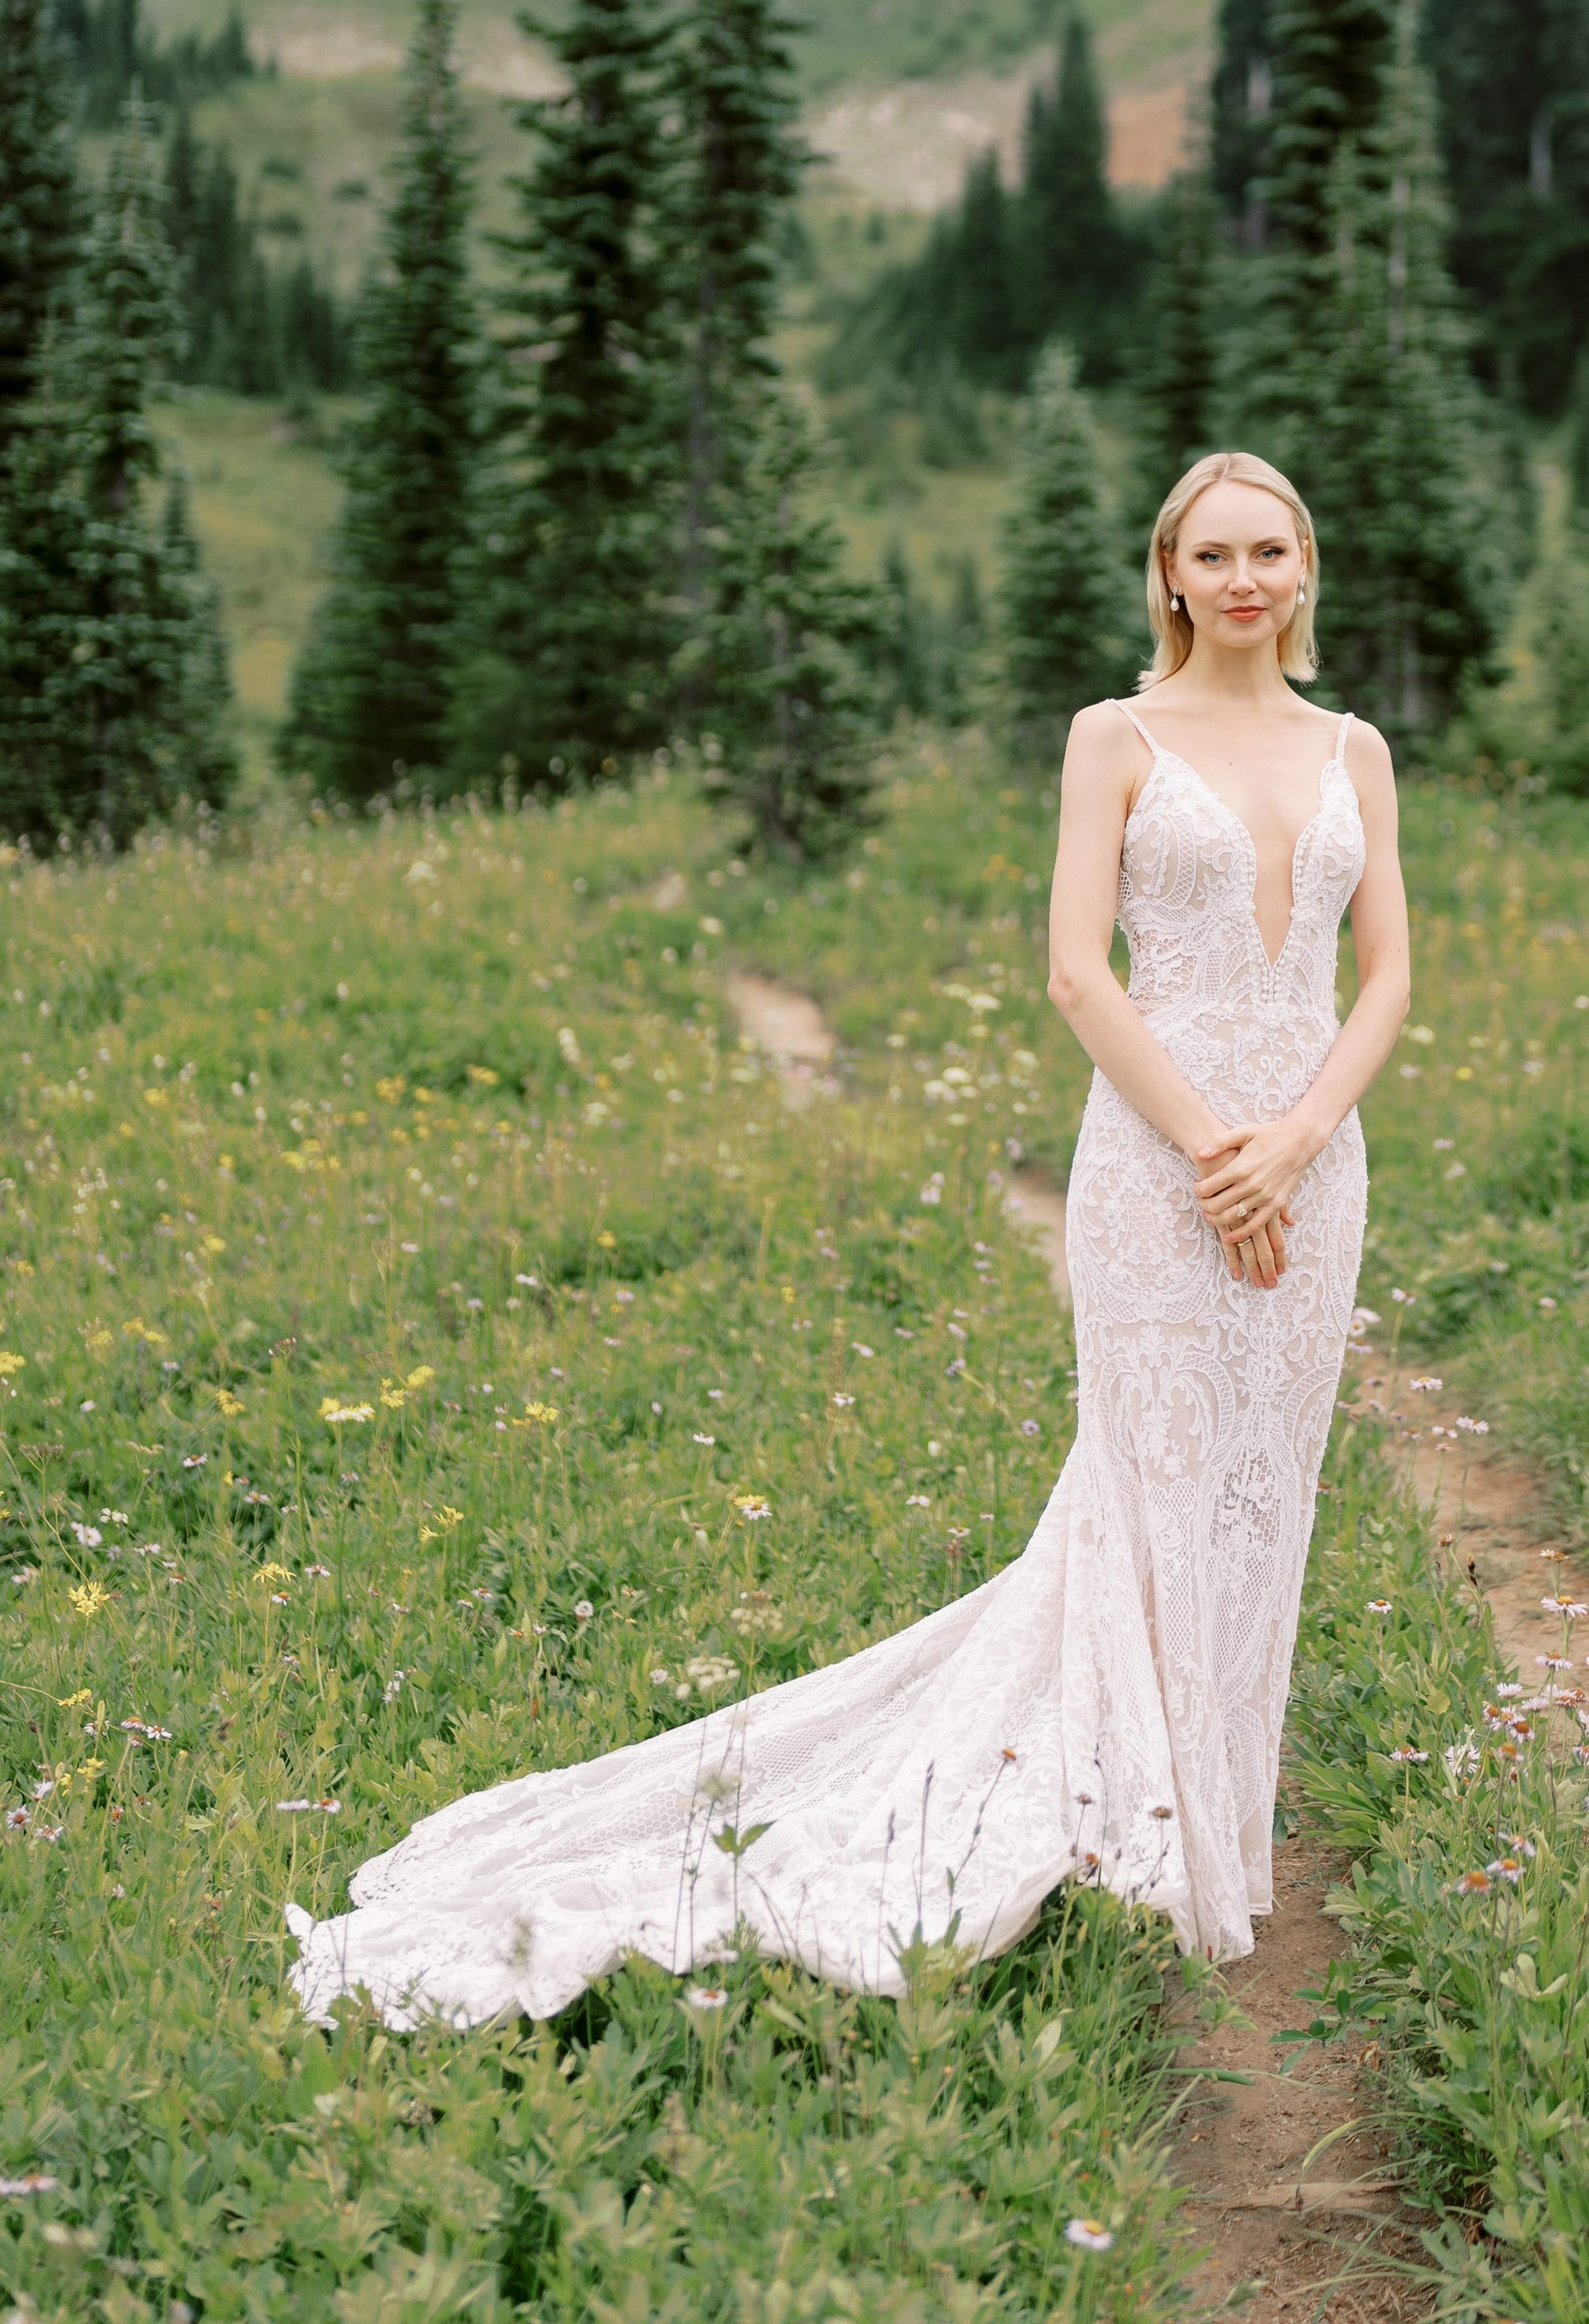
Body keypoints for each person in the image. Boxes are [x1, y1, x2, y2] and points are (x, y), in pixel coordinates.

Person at [287, 451, 1409, 2026]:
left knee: (1261, 1490)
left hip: (1317, 1159)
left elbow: (1391, 981)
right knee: (1147, 1486)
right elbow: (1081, 973)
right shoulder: (1117, 736)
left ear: (1306, 569)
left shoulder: (1355, 745)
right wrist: (1217, 1151)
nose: (1241, 578)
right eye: (1211, 553)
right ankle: (1131, 1839)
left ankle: (1217, 1830)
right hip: (1160, 1165)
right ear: (1168, 575)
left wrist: (1293, 1142)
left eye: (1269, 551)